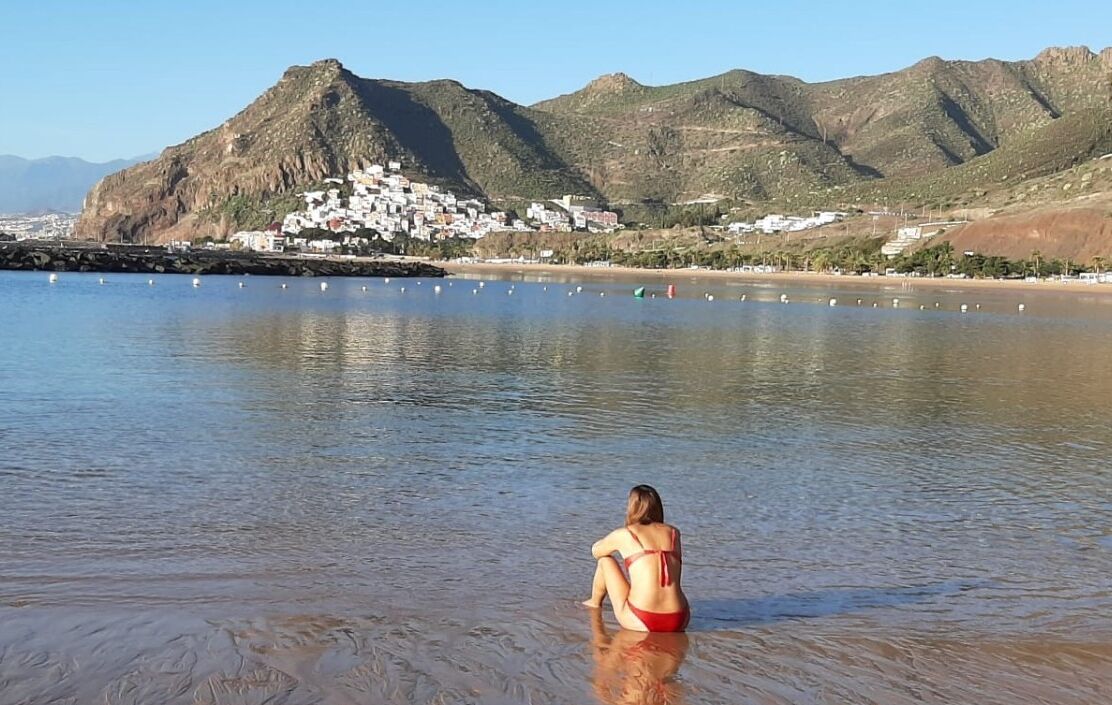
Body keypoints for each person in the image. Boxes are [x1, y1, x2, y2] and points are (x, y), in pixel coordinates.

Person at [582, 485, 690, 632]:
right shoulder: (673, 533)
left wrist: (607, 542)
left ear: (632, 507)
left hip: (641, 617)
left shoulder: (625, 534)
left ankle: (595, 603)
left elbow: (596, 552)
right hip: (679, 618)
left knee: (605, 561)